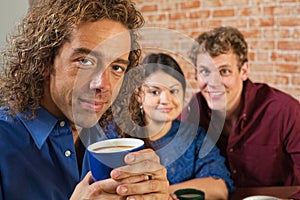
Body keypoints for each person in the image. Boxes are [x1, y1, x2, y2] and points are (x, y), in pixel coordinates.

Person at [0, 0, 170, 199]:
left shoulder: (115, 136)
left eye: (116, 68)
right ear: (44, 61)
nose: (103, 84)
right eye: (85, 61)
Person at [180, 26, 300, 188]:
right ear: (196, 75)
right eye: (205, 71)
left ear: (243, 71)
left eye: (224, 71)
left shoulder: (285, 111)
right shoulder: (192, 113)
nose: (213, 83)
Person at [108, 53, 234, 199]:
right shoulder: (115, 135)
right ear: (138, 95)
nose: (166, 100)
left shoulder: (194, 137)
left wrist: (162, 192)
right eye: (155, 92)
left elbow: (220, 186)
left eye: (173, 91)